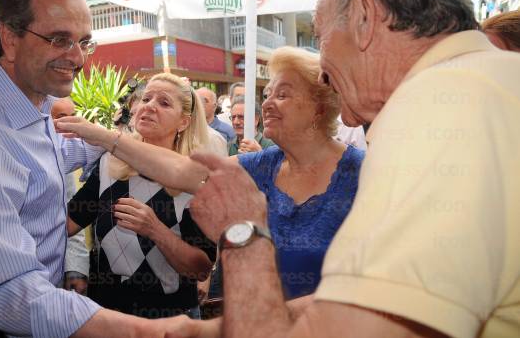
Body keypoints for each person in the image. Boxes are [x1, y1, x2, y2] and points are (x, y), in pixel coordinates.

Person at [165, 0, 520, 337]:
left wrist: (242, 234)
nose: (323, 73)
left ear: (366, 15)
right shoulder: (494, 82)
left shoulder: (437, 108)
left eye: (320, 37)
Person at [0, 0, 168, 338]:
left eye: (84, 42)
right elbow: (8, 291)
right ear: (9, 37)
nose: (78, 58)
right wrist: (154, 332)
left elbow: (58, 156)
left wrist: (118, 137)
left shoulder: (32, 101)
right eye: (59, 40)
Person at [57, 46, 365, 300]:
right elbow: (181, 171)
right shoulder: (260, 166)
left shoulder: (364, 174)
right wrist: (104, 137)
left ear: (319, 108)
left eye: (282, 94)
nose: (267, 103)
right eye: (267, 93)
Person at [66, 73, 216, 319]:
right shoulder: (108, 165)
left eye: (164, 102)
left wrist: (156, 230)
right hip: (106, 316)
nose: (149, 106)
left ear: (184, 122)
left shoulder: (195, 181)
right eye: (146, 98)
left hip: (169, 320)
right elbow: (68, 223)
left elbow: (200, 268)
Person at [52, 97, 90, 295]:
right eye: (61, 117)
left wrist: (76, 268)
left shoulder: (89, 148)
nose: (69, 123)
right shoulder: (50, 154)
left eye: (73, 116)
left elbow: (71, 218)